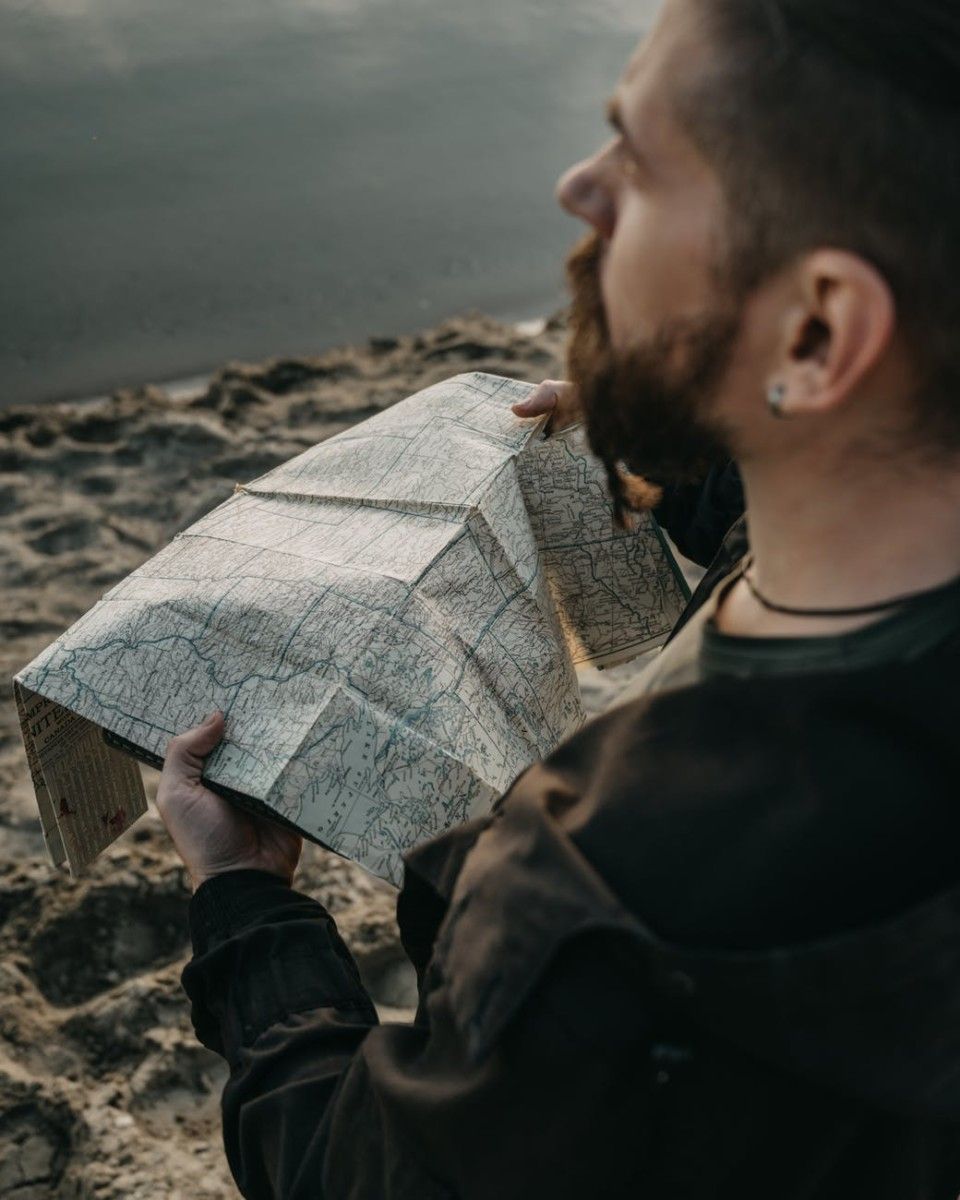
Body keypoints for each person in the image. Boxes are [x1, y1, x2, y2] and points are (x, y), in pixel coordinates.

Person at [156, 0, 960, 1195]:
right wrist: (697, 426)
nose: (580, 187)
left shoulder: (608, 901)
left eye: (638, 160)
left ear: (817, 330)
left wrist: (244, 906)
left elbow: (352, 1174)